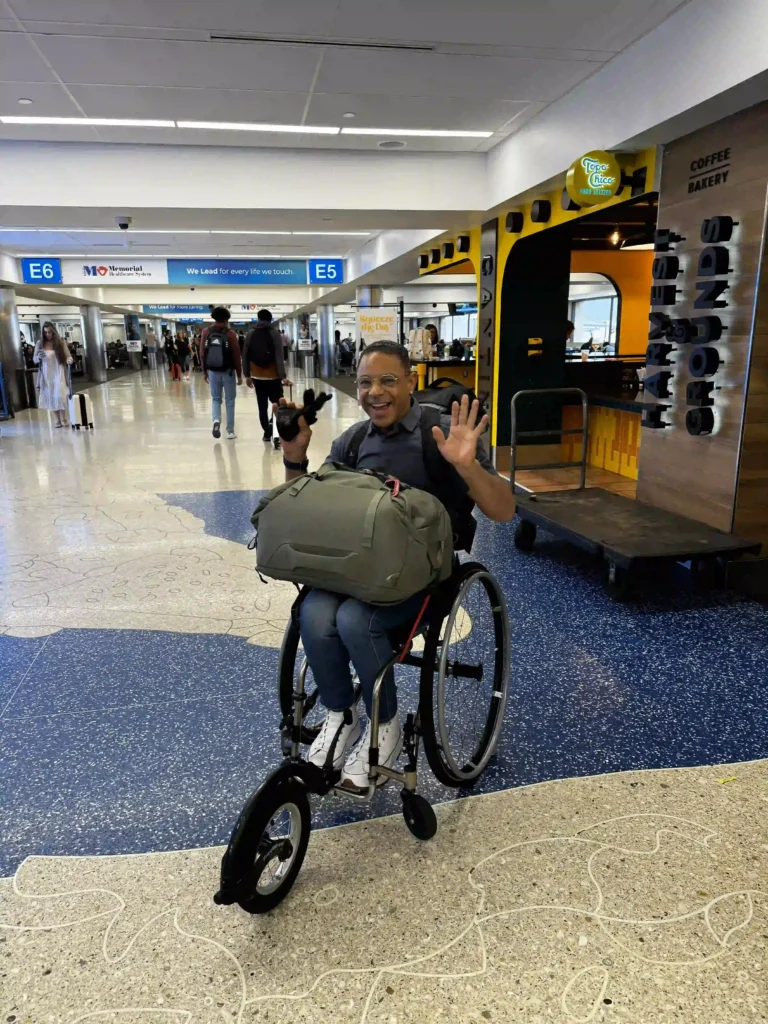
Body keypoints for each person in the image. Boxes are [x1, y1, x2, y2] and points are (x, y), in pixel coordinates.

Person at [278, 341, 516, 792]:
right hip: (360, 566)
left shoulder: (440, 432)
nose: (376, 392)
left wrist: (468, 468)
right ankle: (342, 713)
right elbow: (306, 510)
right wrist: (294, 456)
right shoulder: (351, 442)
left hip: (423, 575)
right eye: (366, 382)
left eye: (389, 380)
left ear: (411, 380)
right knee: (312, 611)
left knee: (353, 619)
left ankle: (383, 725)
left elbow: (504, 511)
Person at [243, 309, 292, 443]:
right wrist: (282, 376)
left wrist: (247, 375)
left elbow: (245, 355)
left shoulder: (250, 334)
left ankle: (266, 432)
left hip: (257, 376)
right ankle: (275, 434)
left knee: (262, 406)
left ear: (258, 319)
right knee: (277, 405)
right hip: (273, 377)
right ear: (270, 320)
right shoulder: (274, 333)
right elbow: (278, 356)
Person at [200, 307, 242, 440]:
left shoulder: (206, 331)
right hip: (228, 372)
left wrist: (205, 371)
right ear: (226, 319)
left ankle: (216, 421)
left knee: (216, 399)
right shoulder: (230, 334)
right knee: (230, 401)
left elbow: (202, 353)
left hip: (213, 371)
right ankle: (230, 431)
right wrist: (240, 374)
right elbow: (236, 355)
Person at [34, 321, 73, 428]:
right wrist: (39, 357)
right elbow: (35, 359)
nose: (48, 335)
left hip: (59, 371)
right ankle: (57, 420)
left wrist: (69, 360)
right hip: (46, 374)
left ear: (54, 332)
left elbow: (68, 356)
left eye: (50, 332)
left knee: (60, 394)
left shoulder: (61, 343)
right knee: (51, 395)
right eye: (46, 332)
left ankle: (64, 418)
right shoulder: (39, 343)